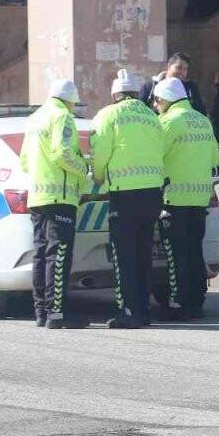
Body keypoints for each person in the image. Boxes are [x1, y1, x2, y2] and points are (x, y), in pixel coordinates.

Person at [91, 69, 165, 329]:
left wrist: (98, 177)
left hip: (124, 194)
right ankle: (143, 310)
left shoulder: (109, 115)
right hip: (153, 193)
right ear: (135, 93)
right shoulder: (151, 116)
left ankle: (129, 311)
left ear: (115, 94)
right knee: (143, 253)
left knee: (124, 255)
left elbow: (100, 152)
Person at [20, 79, 90, 329]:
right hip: (60, 197)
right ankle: (57, 314)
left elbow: (25, 162)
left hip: (37, 197)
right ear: (70, 100)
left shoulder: (34, 119)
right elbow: (62, 153)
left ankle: (41, 312)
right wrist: (84, 169)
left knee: (40, 254)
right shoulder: (62, 117)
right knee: (58, 255)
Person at [154, 76, 219, 320]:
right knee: (195, 251)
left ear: (165, 100)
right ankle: (196, 302)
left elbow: (154, 156)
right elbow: (214, 159)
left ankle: (177, 304)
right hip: (200, 198)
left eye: (158, 102)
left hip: (173, 198)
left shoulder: (167, 122)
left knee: (176, 254)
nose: (156, 106)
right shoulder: (203, 121)